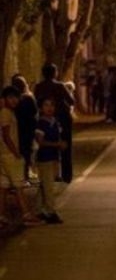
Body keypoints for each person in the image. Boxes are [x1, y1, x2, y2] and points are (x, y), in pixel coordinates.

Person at [0, 87, 43, 227]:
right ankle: (26, 215)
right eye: (10, 97)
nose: (14, 100)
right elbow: (6, 135)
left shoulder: (7, 112)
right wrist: (16, 153)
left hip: (4, 154)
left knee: (4, 186)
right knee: (19, 185)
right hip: (10, 154)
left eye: (16, 97)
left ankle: (2, 216)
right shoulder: (6, 113)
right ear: (4, 98)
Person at [34, 63, 75, 183]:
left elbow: (37, 102)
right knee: (65, 147)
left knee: (47, 145)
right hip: (62, 119)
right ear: (55, 73)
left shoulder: (38, 87)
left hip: (45, 121)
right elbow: (71, 101)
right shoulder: (60, 86)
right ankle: (67, 175)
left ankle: (51, 174)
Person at [34, 98, 67, 224]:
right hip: (44, 158)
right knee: (48, 187)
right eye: (46, 105)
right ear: (41, 108)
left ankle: (39, 210)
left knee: (45, 184)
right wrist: (57, 144)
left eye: (52, 105)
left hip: (53, 158)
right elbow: (40, 142)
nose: (49, 108)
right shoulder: (41, 123)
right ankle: (51, 212)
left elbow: (58, 136)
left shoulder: (55, 121)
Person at [11, 75, 37, 181]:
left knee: (18, 151)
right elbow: (35, 112)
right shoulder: (28, 98)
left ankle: (17, 176)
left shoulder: (13, 100)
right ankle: (25, 175)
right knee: (27, 153)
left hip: (17, 129)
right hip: (28, 129)